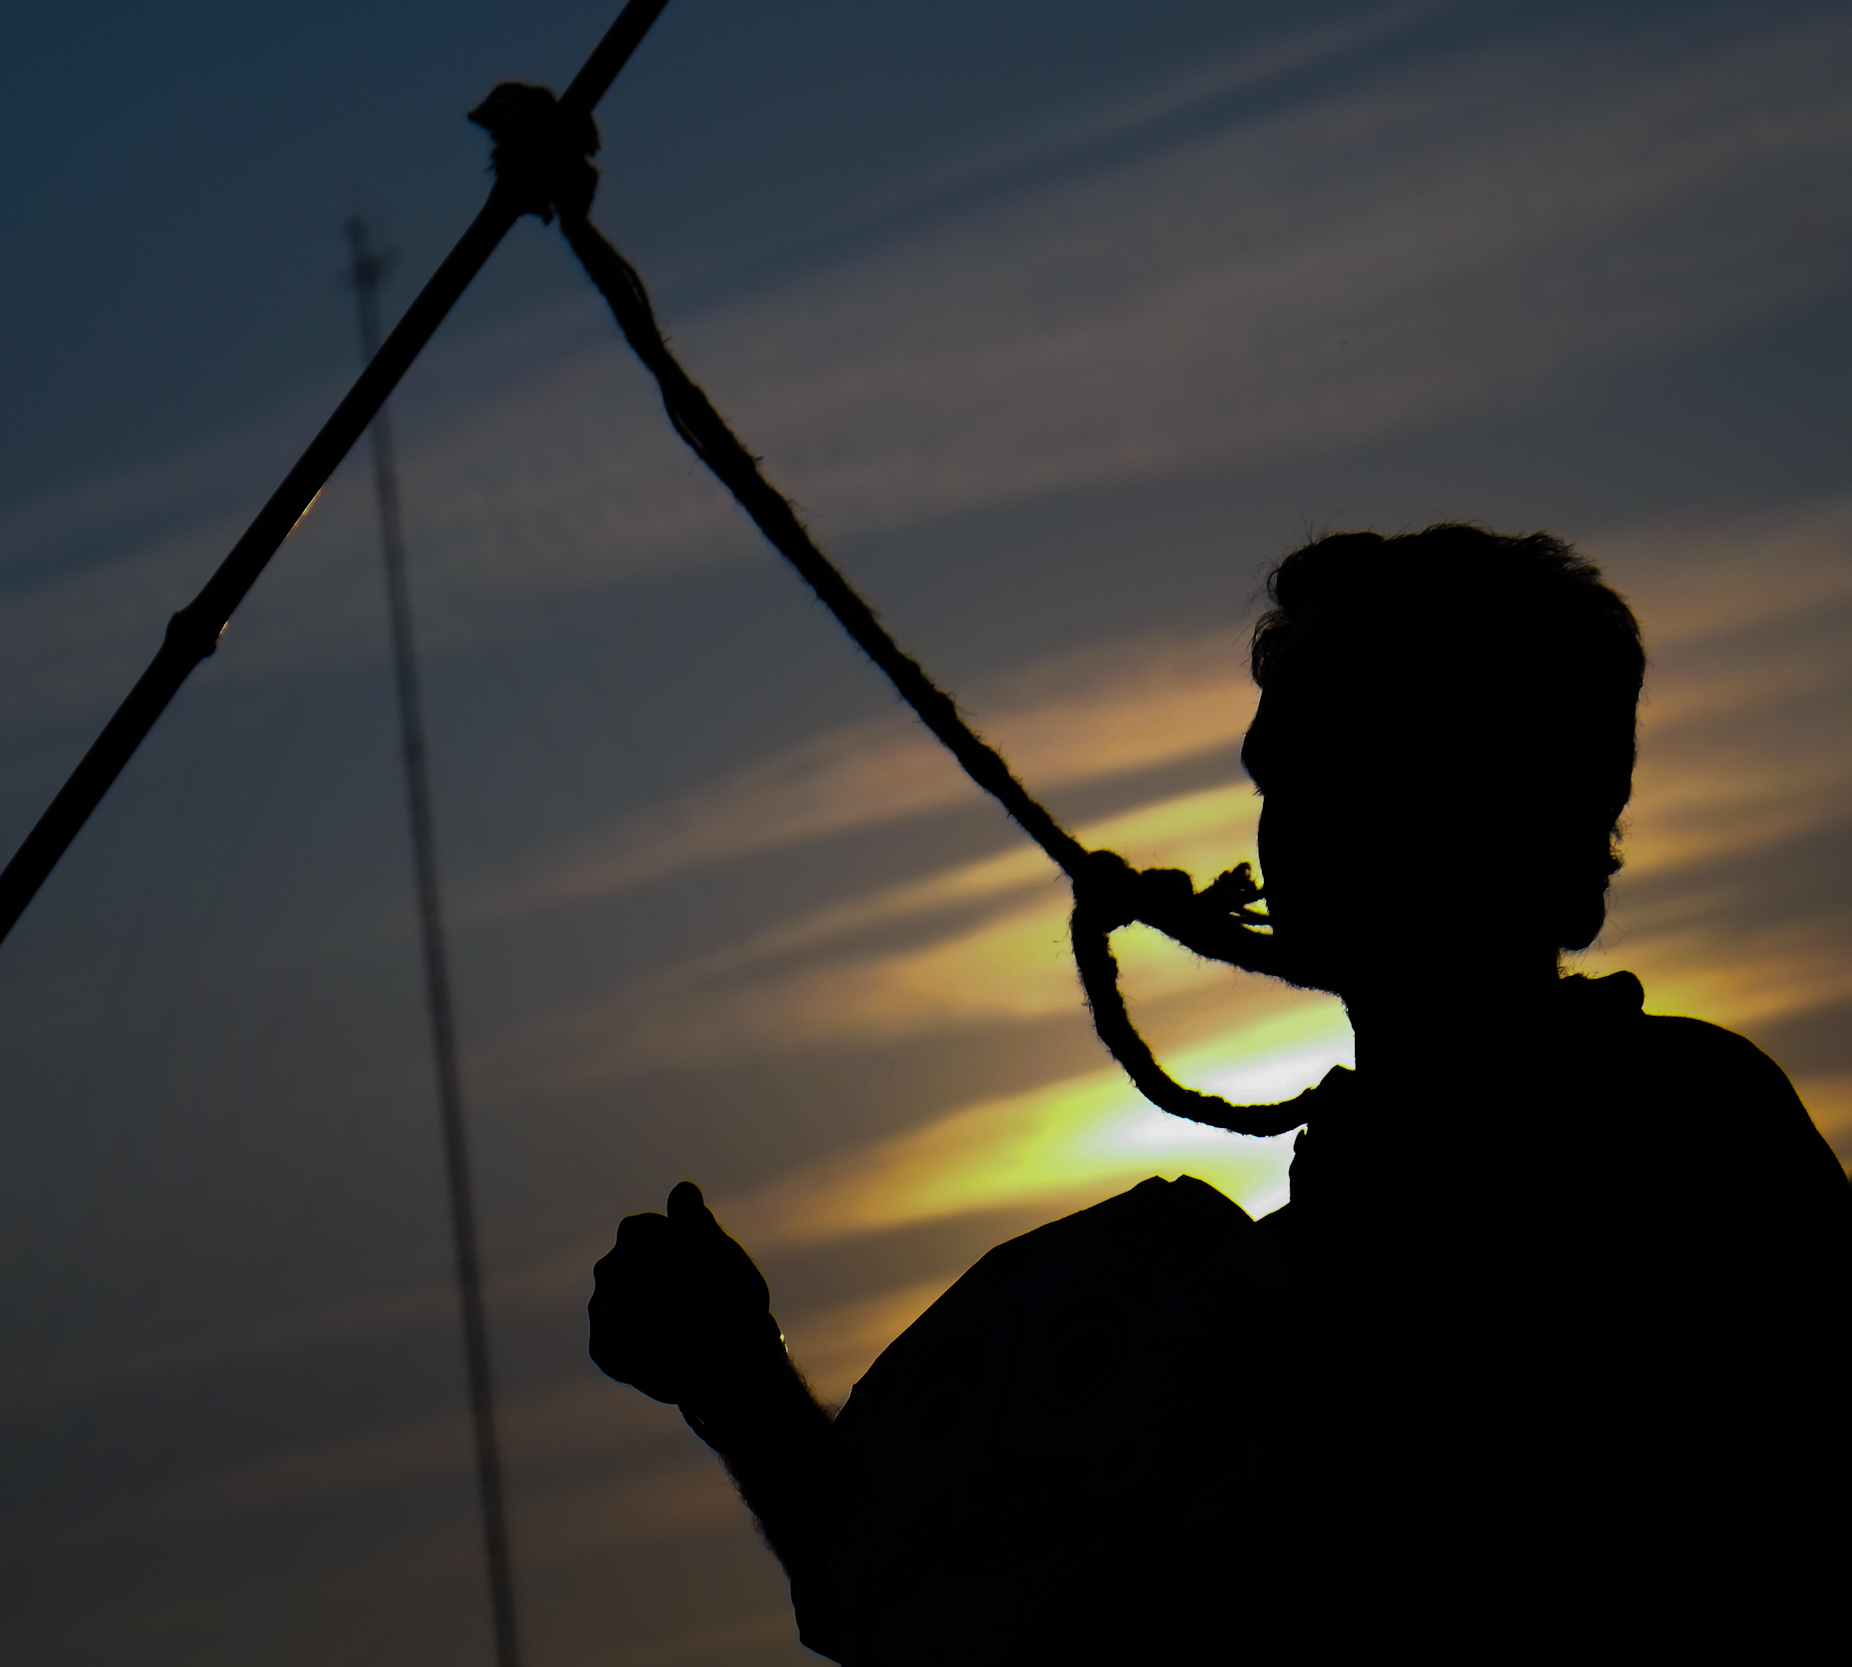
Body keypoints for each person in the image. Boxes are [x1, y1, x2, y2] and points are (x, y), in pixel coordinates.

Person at [588, 525, 1851, 1662]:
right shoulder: (1270, 1269)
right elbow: (947, 1594)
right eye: (1274, 766)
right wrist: (738, 1383)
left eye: (1350, 743)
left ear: (1514, 795)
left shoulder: (1681, 1130)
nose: (1287, 807)